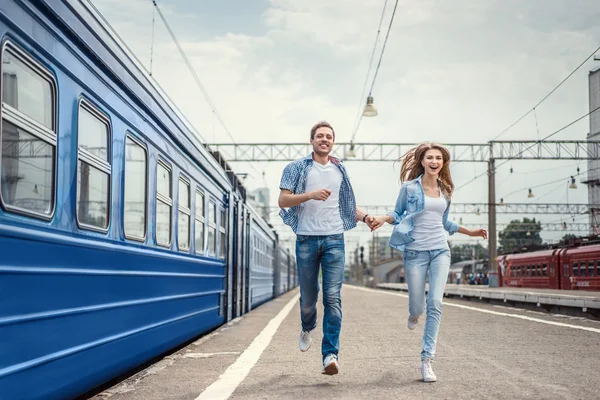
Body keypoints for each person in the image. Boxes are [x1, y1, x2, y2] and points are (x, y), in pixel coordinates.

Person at [369, 142, 487, 383]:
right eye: (430, 157)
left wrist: (471, 232)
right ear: (422, 161)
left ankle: (426, 361)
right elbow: (398, 214)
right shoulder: (409, 188)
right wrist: (381, 218)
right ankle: (413, 314)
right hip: (414, 252)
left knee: (435, 302)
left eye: (439, 158)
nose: (434, 161)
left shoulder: (445, 191)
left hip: (440, 251)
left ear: (443, 163)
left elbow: (445, 223)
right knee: (417, 306)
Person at [278, 121, 371, 376]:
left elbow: (347, 207)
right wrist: (309, 195)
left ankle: (330, 354)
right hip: (307, 238)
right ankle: (307, 326)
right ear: (312, 141)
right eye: (320, 136)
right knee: (309, 298)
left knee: (332, 297)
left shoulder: (341, 170)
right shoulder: (296, 168)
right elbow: (283, 200)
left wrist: (365, 218)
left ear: (333, 141)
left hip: (334, 239)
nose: (324, 139)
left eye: (329, 136)